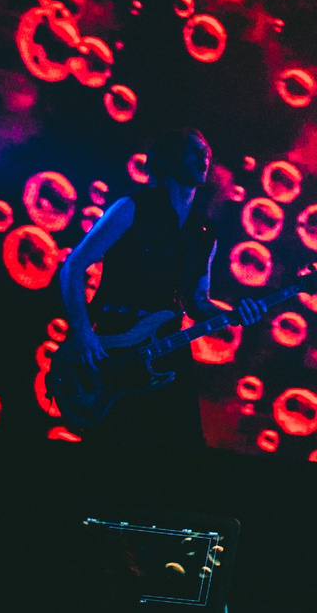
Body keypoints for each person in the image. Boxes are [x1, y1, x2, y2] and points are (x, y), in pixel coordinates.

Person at [54, 128, 219, 450]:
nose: (204, 158)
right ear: (169, 159)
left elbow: (198, 302)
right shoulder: (132, 207)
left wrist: (241, 312)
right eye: (194, 151)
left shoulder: (204, 230)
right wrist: (83, 333)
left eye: (207, 153)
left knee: (184, 450)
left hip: (168, 345)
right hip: (115, 338)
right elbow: (73, 267)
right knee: (112, 443)